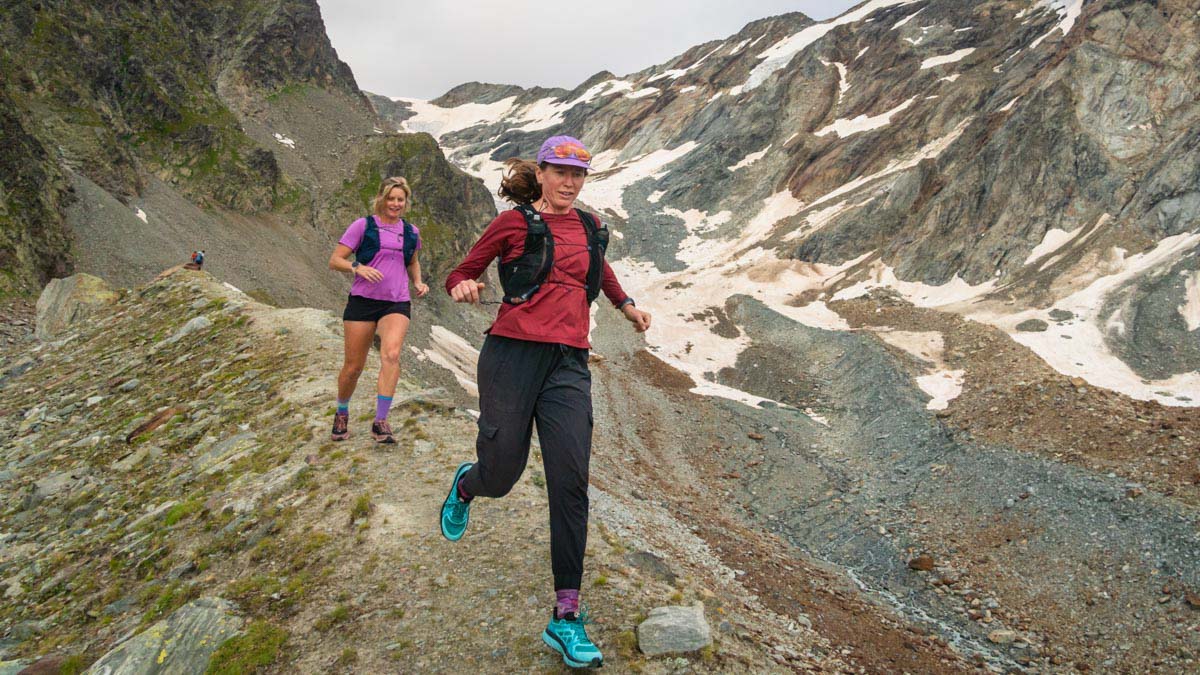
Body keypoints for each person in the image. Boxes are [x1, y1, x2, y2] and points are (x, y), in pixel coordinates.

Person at [439, 135, 651, 669]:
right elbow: (461, 272)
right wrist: (462, 287)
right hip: (511, 356)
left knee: (570, 481)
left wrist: (626, 306)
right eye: (560, 172)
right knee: (502, 474)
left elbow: (599, 269)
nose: (569, 183)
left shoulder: (591, 226)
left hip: (568, 364)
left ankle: (566, 615)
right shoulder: (513, 224)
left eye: (578, 175)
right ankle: (468, 484)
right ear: (542, 173)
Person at [328, 176, 429, 443]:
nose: (395, 204)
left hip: (396, 302)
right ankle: (342, 412)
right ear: (381, 199)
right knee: (353, 367)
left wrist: (418, 282)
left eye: (400, 199)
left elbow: (412, 261)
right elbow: (335, 260)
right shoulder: (363, 226)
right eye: (391, 198)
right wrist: (357, 267)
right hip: (363, 301)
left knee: (392, 354)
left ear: (406, 202)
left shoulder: (411, 232)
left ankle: (380, 421)